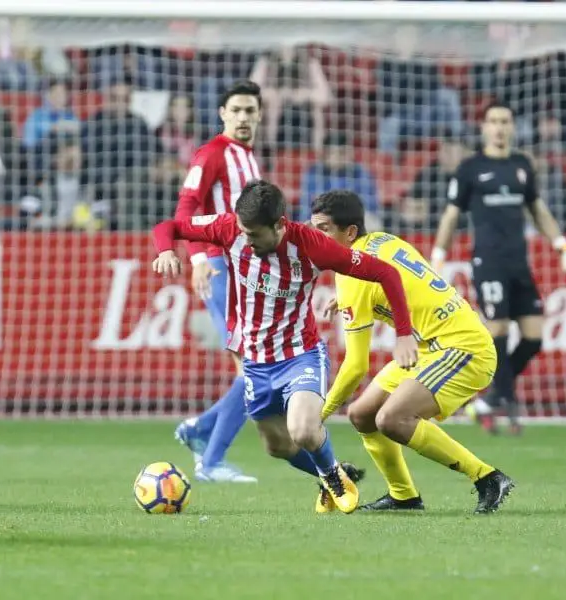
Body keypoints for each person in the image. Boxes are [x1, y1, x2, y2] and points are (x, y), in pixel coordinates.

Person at [151, 180, 418, 514]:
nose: (245, 239)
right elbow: (169, 226)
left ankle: (330, 474)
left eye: (254, 234)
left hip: (299, 355)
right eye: (243, 231)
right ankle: (330, 472)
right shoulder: (229, 228)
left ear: (279, 225)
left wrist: (404, 334)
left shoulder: (313, 246)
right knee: (276, 446)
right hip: (255, 360)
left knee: (303, 430)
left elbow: (386, 274)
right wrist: (164, 250)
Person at [314, 190, 513, 514]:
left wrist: (317, 416)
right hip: (432, 345)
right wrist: (354, 300)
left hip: (462, 346)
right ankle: (404, 496)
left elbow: (356, 366)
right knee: (361, 414)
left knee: (392, 418)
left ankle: (487, 478)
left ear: (350, 232)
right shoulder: (382, 241)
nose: (316, 237)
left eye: (323, 229)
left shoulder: (350, 276)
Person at [430, 102, 566, 435]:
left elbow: (538, 209)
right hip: (488, 262)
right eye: (493, 122)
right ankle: (506, 402)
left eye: (505, 122)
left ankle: (490, 399)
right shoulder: (470, 168)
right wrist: (438, 258)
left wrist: (564, 249)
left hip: (519, 262)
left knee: (533, 338)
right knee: (498, 331)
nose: (499, 128)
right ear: (484, 127)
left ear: (512, 127)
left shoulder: (522, 166)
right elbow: (451, 215)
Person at [169, 81, 264, 483]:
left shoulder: (247, 158)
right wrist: (197, 258)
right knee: (255, 367)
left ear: (259, 115)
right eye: (236, 110)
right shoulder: (211, 154)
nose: (243, 117)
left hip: (247, 273)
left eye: (250, 111)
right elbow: (186, 206)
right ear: (223, 114)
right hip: (221, 269)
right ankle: (210, 460)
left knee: (257, 367)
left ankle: (200, 430)